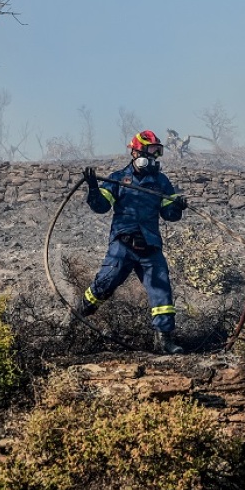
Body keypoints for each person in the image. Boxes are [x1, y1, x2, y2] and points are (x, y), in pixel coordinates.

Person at [75, 129, 188, 355]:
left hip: (150, 247)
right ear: (136, 153)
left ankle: (164, 340)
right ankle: (77, 318)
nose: (154, 157)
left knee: (162, 292)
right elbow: (101, 207)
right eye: (151, 151)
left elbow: (170, 215)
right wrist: (94, 190)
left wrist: (177, 206)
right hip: (123, 246)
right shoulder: (118, 178)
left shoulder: (161, 182)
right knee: (105, 284)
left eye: (158, 152)